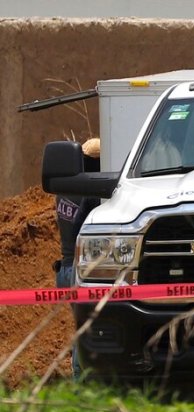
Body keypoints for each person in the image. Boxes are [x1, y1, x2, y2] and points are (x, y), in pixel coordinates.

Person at [54, 137, 102, 380]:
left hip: (64, 267)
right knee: (89, 331)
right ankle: (80, 380)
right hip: (77, 269)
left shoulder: (63, 189)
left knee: (81, 326)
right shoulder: (91, 193)